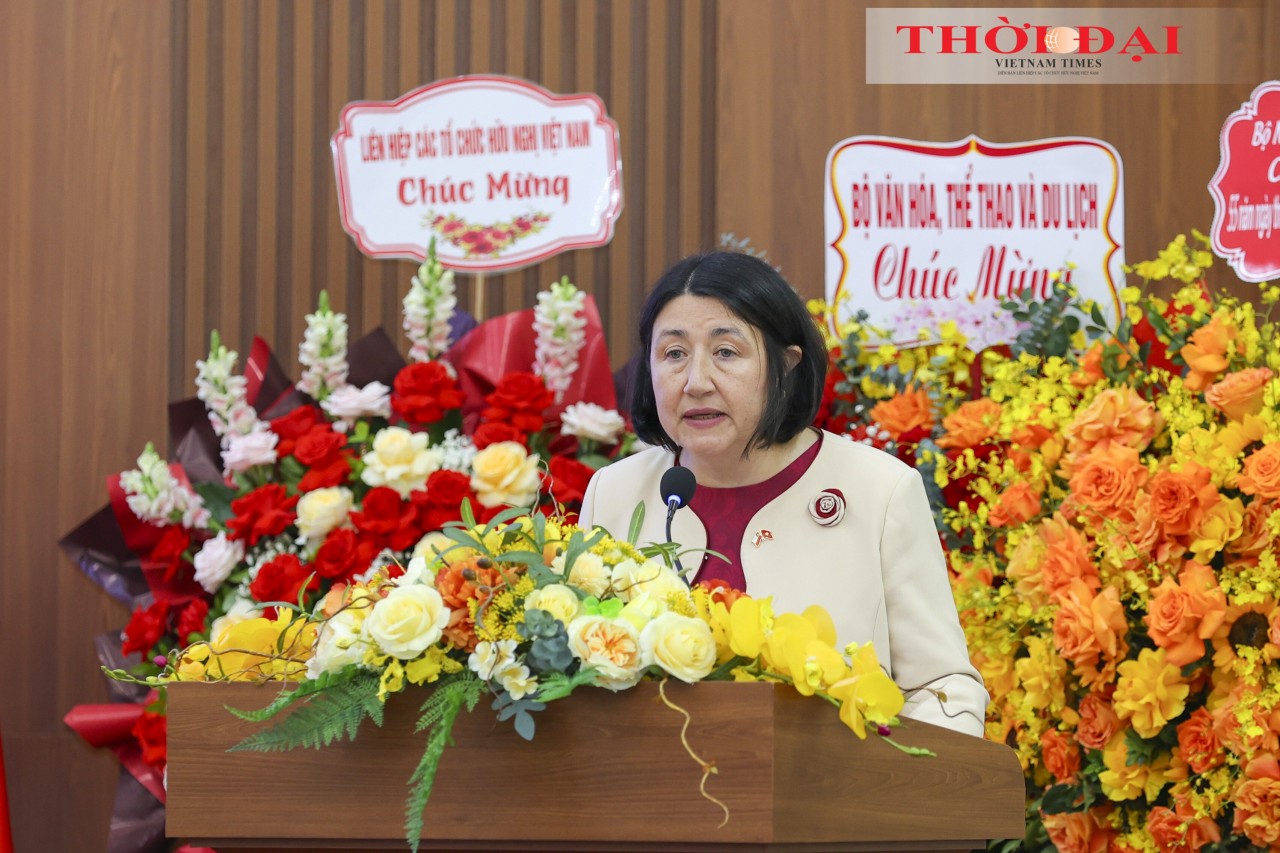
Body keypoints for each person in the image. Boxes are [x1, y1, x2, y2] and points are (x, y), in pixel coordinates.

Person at [578, 251, 988, 737]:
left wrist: (901, 797)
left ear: (786, 366)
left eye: (726, 352)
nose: (696, 382)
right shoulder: (616, 491)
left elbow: (941, 688)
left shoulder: (878, 490)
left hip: (835, 801)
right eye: (674, 354)